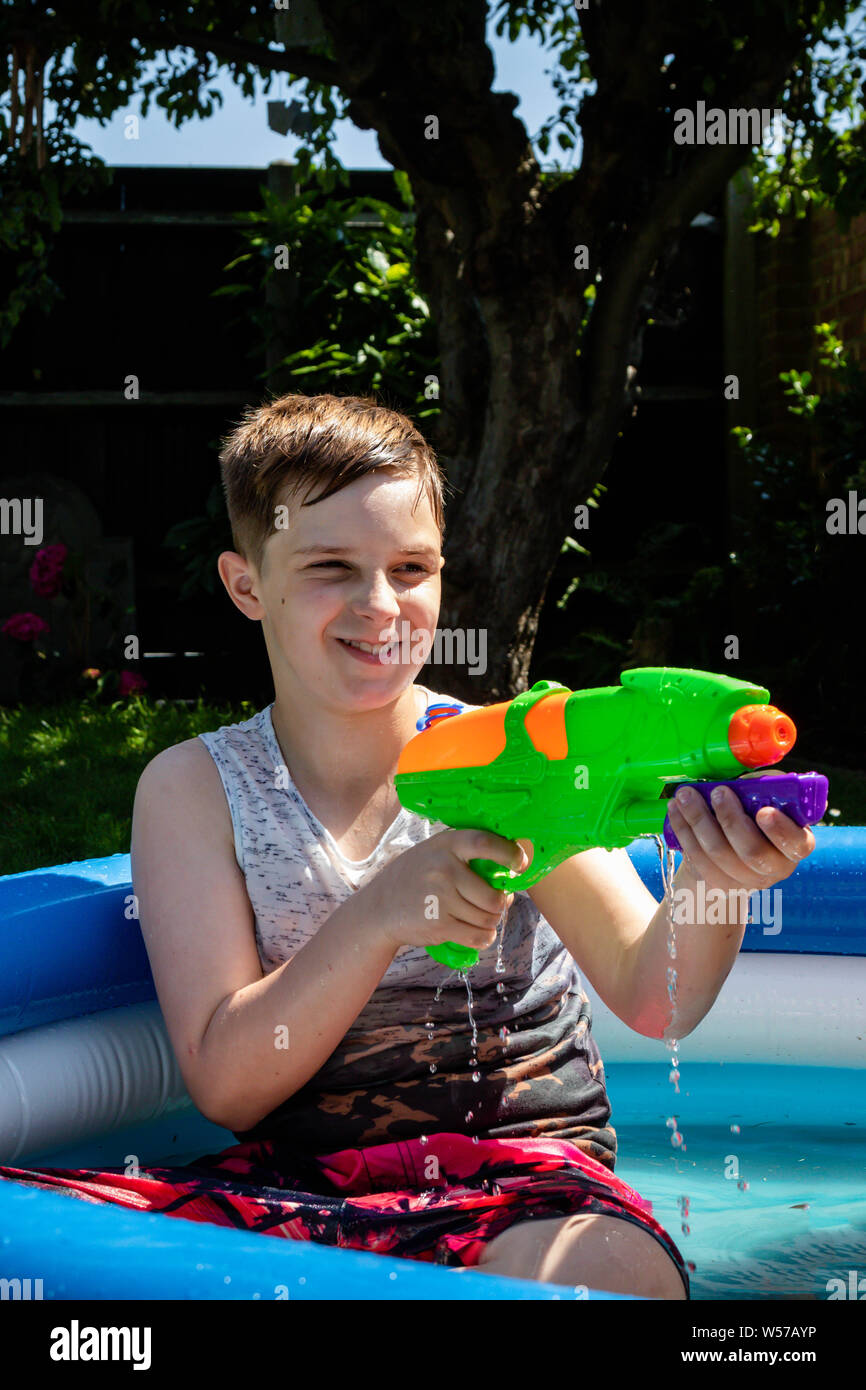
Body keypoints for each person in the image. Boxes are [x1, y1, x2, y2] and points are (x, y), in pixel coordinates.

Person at [0, 393, 815, 1299]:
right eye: (331, 567)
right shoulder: (197, 790)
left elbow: (653, 994)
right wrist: (383, 912)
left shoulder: (520, 754)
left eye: (411, 567)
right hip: (307, 1196)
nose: (380, 605)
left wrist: (715, 884)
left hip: (528, 1187)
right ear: (245, 585)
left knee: (610, 1282)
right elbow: (228, 1086)